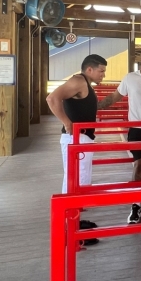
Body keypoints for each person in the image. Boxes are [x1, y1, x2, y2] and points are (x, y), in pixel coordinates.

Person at [97, 49, 141, 223]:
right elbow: (115, 97)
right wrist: (96, 107)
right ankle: (136, 205)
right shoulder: (131, 78)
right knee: (139, 166)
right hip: (138, 129)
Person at [46, 54, 107, 195]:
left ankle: (76, 213)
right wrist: (67, 123)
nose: (103, 75)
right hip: (76, 136)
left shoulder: (85, 83)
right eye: (101, 71)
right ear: (90, 69)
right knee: (76, 177)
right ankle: (70, 214)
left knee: (81, 176)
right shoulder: (78, 81)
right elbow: (52, 98)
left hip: (83, 137)